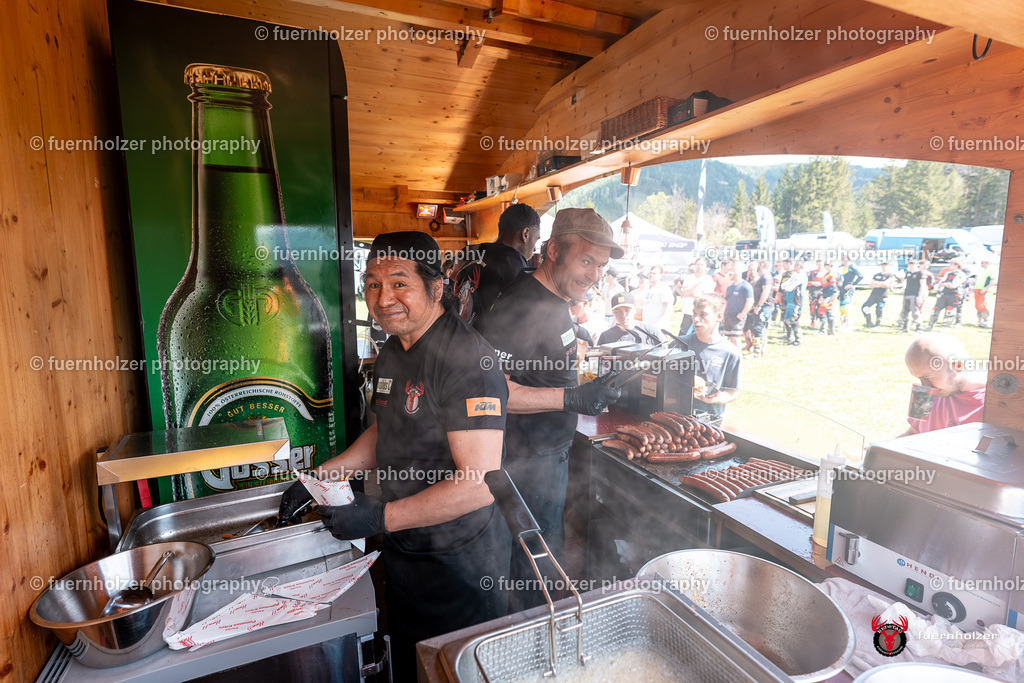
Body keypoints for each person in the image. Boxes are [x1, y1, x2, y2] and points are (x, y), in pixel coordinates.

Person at [278, 232, 511, 680]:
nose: (383, 299)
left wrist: (380, 518)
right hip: (407, 544)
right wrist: (317, 478)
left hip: (460, 560)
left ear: (437, 286)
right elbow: (384, 431)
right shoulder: (392, 350)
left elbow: (480, 483)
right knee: (409, 658)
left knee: (454, 668)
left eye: (399, 283)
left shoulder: (466, 360)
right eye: (372, 284)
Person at [475, 208, 623, 611]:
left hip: (547, 458)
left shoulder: (556, 300)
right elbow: (490, 391)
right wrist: (570, 398)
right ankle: (527, 651)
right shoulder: (522, 305)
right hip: (523, 464)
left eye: (601, 266)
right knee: (532, 573)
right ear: (553, 250)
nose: (594, 274)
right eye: (586, 260)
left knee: (544, 562)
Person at [455, 202, 540, 324]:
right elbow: (524, 317)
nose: (535, 248)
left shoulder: (474, 252)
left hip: (460, 334)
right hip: (486, 341)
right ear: (525, 234)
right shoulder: (513, 261)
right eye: (536, 239)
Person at [901, 332, 986, 435]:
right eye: (919, 378)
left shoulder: (994, 404)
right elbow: (912, 434)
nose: (924, 386)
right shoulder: (923, 393)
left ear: (958, 366)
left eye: (928, 378)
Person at [681, 294, 742, 418]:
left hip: (710, 421)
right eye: (694, 313)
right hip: (677, 417)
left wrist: (714, 398)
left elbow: (733, 393)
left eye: (703, 314)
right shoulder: (679, 344)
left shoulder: (730, 352)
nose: (696, 319)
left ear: (719, 317)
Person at [596, 291, 664, 345]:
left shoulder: (651, 332)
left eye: (627, 310)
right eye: (618, 311)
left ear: (635, 309)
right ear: (613, 312)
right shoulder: (606, 336)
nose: (623, 315)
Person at [676, 257, 716, 335]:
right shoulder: (688, 278)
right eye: (698, 264)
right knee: (684, 335)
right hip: (688, 311)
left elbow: (707, 297)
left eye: (702, 265)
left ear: (705, 266)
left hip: (702, 312)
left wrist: (693, 295)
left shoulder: (709, 279)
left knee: (699, 334)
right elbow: (685, 293)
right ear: (694, 265)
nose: (699, 266)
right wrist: (697, 284)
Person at [927, 257, 968, 330]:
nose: (949, 266)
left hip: (955, 295)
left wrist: (945, 284)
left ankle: (947, 327)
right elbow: (940, 283)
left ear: (956, 265)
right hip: (944, 294)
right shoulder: (947, 273)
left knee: (950, 312)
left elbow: (953, 285)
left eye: (951, 264)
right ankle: (930, 326)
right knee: (935, 310)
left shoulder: (961, 274)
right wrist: (945, 284)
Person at [743, 260, 774, 356]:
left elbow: (766, 291)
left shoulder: (766, 276)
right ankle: (762, 350)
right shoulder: (763, 277)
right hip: (759, 305)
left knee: (758, 328)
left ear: (761, 266)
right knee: (760, 328)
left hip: (764, 306)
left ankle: (756, 352)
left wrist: (759, 305)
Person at [723, 261, 754, 347]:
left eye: (732, 271)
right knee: (728, 338)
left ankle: (738, 357)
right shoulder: (730, 287)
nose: (730, 273)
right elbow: (726, 301)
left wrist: (742, 313)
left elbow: (750, 301)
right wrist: (722, 314)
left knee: (735, 338)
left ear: (738, 272)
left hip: (737, 317)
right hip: (728, 315)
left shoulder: (746, 286)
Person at [895, 259, 930, 332]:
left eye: (913, 264)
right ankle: (905, 327)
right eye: (910, 265)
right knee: (905, 311)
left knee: (915, 312)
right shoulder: (908, 273)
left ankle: (919, 328)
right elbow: (904, 281)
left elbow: (923, 285)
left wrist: (920, 296)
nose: (912, 266)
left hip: (915, 295)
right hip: (907, 294)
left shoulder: (920, 273)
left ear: (917, 265)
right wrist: (903, 287)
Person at [780, 260, 807, 345]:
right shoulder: (794, 275)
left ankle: (798, 340)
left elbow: (789, 288)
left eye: (796, 265)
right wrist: (787, 286)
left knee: (793, 320)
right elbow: (783, 285)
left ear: (799, 267)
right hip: (789, 300)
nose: (794, 267)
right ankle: (789, 337)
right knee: (786, 320)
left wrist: (788, 287)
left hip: (796, 301)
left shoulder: (802, 276)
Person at [861, 261, 894, 327]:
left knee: (879, 308)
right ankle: (869, 322)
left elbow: (886, 285)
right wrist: (881, 283)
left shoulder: (890, 275)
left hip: (882, 295)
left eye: (885, 265)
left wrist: (876, 283)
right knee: (864, 307)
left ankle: (878, 324)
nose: (884, 267)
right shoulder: (876, 275)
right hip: (874, 294)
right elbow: (870, 285)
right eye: (883, 265)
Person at [642, 264, 674, 330]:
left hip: (659, 328)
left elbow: (668, 309)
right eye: (650, 273)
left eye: (654, 273)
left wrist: (659, 325)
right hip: (646, 326)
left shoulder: (664, 288)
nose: (651, 275)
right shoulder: (646, 287)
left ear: (660, 275)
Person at [837, 256, 863, 331]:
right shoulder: (840, 267)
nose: (842, 261)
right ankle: (842, 324)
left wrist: (852, 284)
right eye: (841, 259)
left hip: (848, 289)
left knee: (846, 305)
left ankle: (849, 325)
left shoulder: (852, 266)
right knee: (841, 306)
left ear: (847, 260)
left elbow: (860, 276)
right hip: (841, 289)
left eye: (844, 259)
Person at [815, 262, 839, 335]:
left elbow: (832, 287)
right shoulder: (827, 274)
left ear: (829, 266)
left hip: (830, 294)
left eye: (825, 265)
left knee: (822, 310)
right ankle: (831, 330)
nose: (824, 267)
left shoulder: (832, 274)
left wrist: (825, 297)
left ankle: (823, 331)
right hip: (827, 294)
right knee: (829, 310)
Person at [974, 258, 997, 327]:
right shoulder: (980, 270)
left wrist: (985, 288)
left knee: (983, 305)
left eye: (982, 262)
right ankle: (980, 320)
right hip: (977, 289)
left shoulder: (991, 270)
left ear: (987, 263)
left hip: (985, 290)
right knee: (977, 305)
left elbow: (993, 281)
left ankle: (986, 321)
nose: (981, 264)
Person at [805, 259, 825, 329]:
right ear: (816, 264)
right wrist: (813, 283)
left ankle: (821, 323)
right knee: (812, 306)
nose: (820, 265)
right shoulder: (812, 273)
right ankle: (813, 322)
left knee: (821, 307)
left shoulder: (826, 273)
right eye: (818, 264)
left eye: (821, 264)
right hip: (813, 292)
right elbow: (805, 282)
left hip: (822, 292)